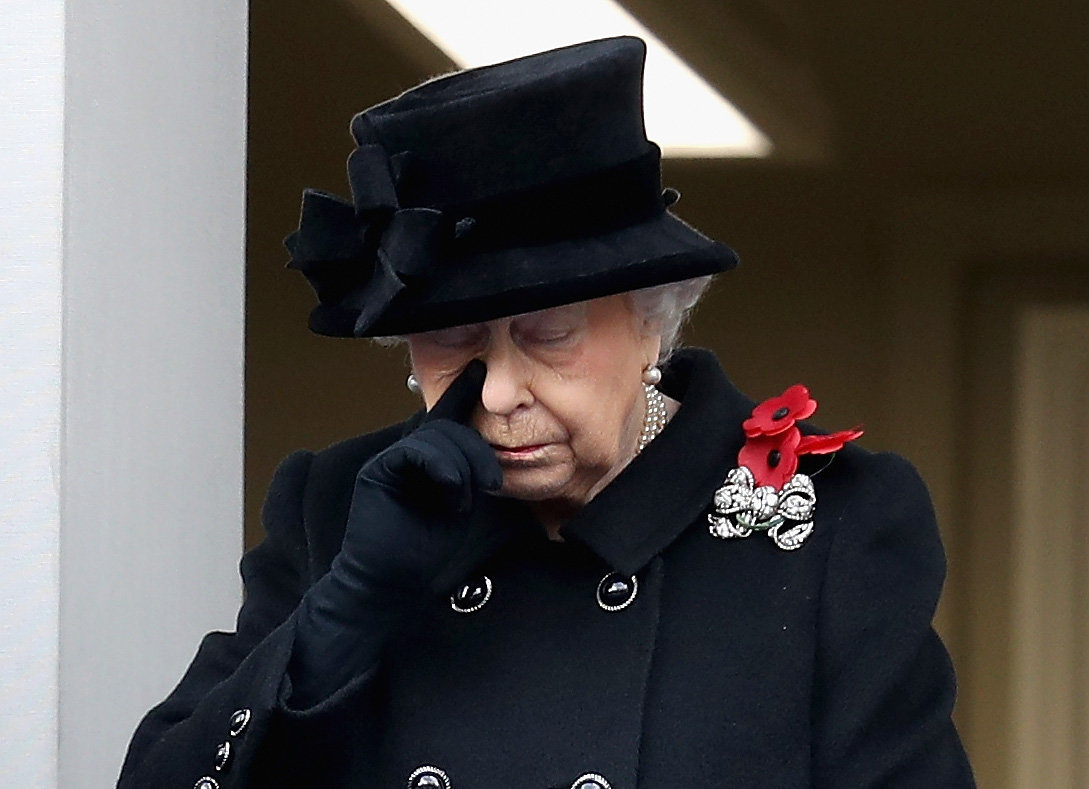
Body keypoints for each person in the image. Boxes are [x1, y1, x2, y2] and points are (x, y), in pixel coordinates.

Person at [117, 36, 975, 788]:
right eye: (452, 340)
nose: (497, 392)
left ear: (651, 322)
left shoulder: (837, 525)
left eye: (549, 334)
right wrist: (344, 610)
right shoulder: (332, 505)